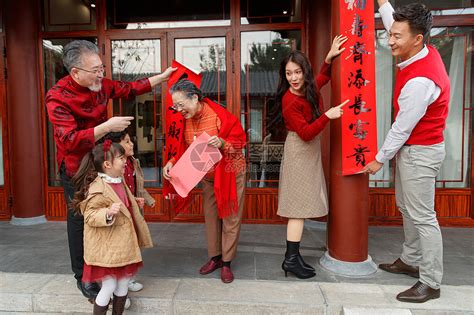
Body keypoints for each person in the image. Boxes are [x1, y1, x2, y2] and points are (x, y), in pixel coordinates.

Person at [45, 39, 174, 300]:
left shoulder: (100, 83)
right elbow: (68, 140)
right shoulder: (57, 97)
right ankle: (83, 277)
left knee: (111, 215)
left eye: (102, 67)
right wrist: (107, 127)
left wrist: (161, 78)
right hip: (76, 168)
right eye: (95, 70)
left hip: (102, 162)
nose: (101, 74)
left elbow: (129, 88)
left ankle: (109, 271)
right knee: (81, 221)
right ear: (75, 73)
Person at [363, 1, 450, 303]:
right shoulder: (417, 44)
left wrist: (378, 159)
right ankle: (411, 259)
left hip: (421, 152)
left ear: (417, 39)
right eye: (391, 34)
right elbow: (392, 21)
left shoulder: (421, 82)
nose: (390, 40)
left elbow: (401, 127)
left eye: (397, 36)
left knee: (423, 217)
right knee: (407, 207)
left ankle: (430, 281)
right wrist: (383, 3)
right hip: (414, 150)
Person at [276, 36, 349, 279]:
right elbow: (306, 133)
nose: (293, 78)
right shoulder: (289, 100)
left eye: (297, 72)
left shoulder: (307, 88)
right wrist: (328, 114)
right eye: (288, 74)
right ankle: (290, 260)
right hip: (299, 149)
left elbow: (322, 78)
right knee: (297, 208)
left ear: (304, 72)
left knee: (302, 207)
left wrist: (329, 57)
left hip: (307, 151)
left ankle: (293, 258)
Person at [163, 79, 246, 284]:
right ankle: (215, 257)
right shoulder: (186, 120)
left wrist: (223, 142)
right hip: (207, 175)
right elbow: (184, 147)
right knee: (210, 216)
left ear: (195, 97)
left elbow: (240, 141)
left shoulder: (219, 115)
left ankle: (226, 263)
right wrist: (172, 162)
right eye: (176, 106)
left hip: (230, 172)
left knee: (230, 216)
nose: (179, 110)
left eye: (181, 104)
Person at [71, 140, 153, 314]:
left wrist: (133, 202)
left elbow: (123, 202)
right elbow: (90, 215)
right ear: (107, 164)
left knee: (123, 283)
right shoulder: (97, 188)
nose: (125, 161)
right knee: (109, 285)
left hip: (122, 246)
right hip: (107, 248)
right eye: (121, 158)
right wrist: (107, 213)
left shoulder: (119, 180)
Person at [104, 129, 156, 292]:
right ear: (115, 147)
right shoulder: (112, 168)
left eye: (130, 140)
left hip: (134, 209)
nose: (131, 143)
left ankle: (129, 278)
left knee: (134, 243)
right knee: (122, 245)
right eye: (126, 141)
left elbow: (138, 187)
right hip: (121, 211)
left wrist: (148, 200)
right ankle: (119, 282)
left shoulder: (133, 162)